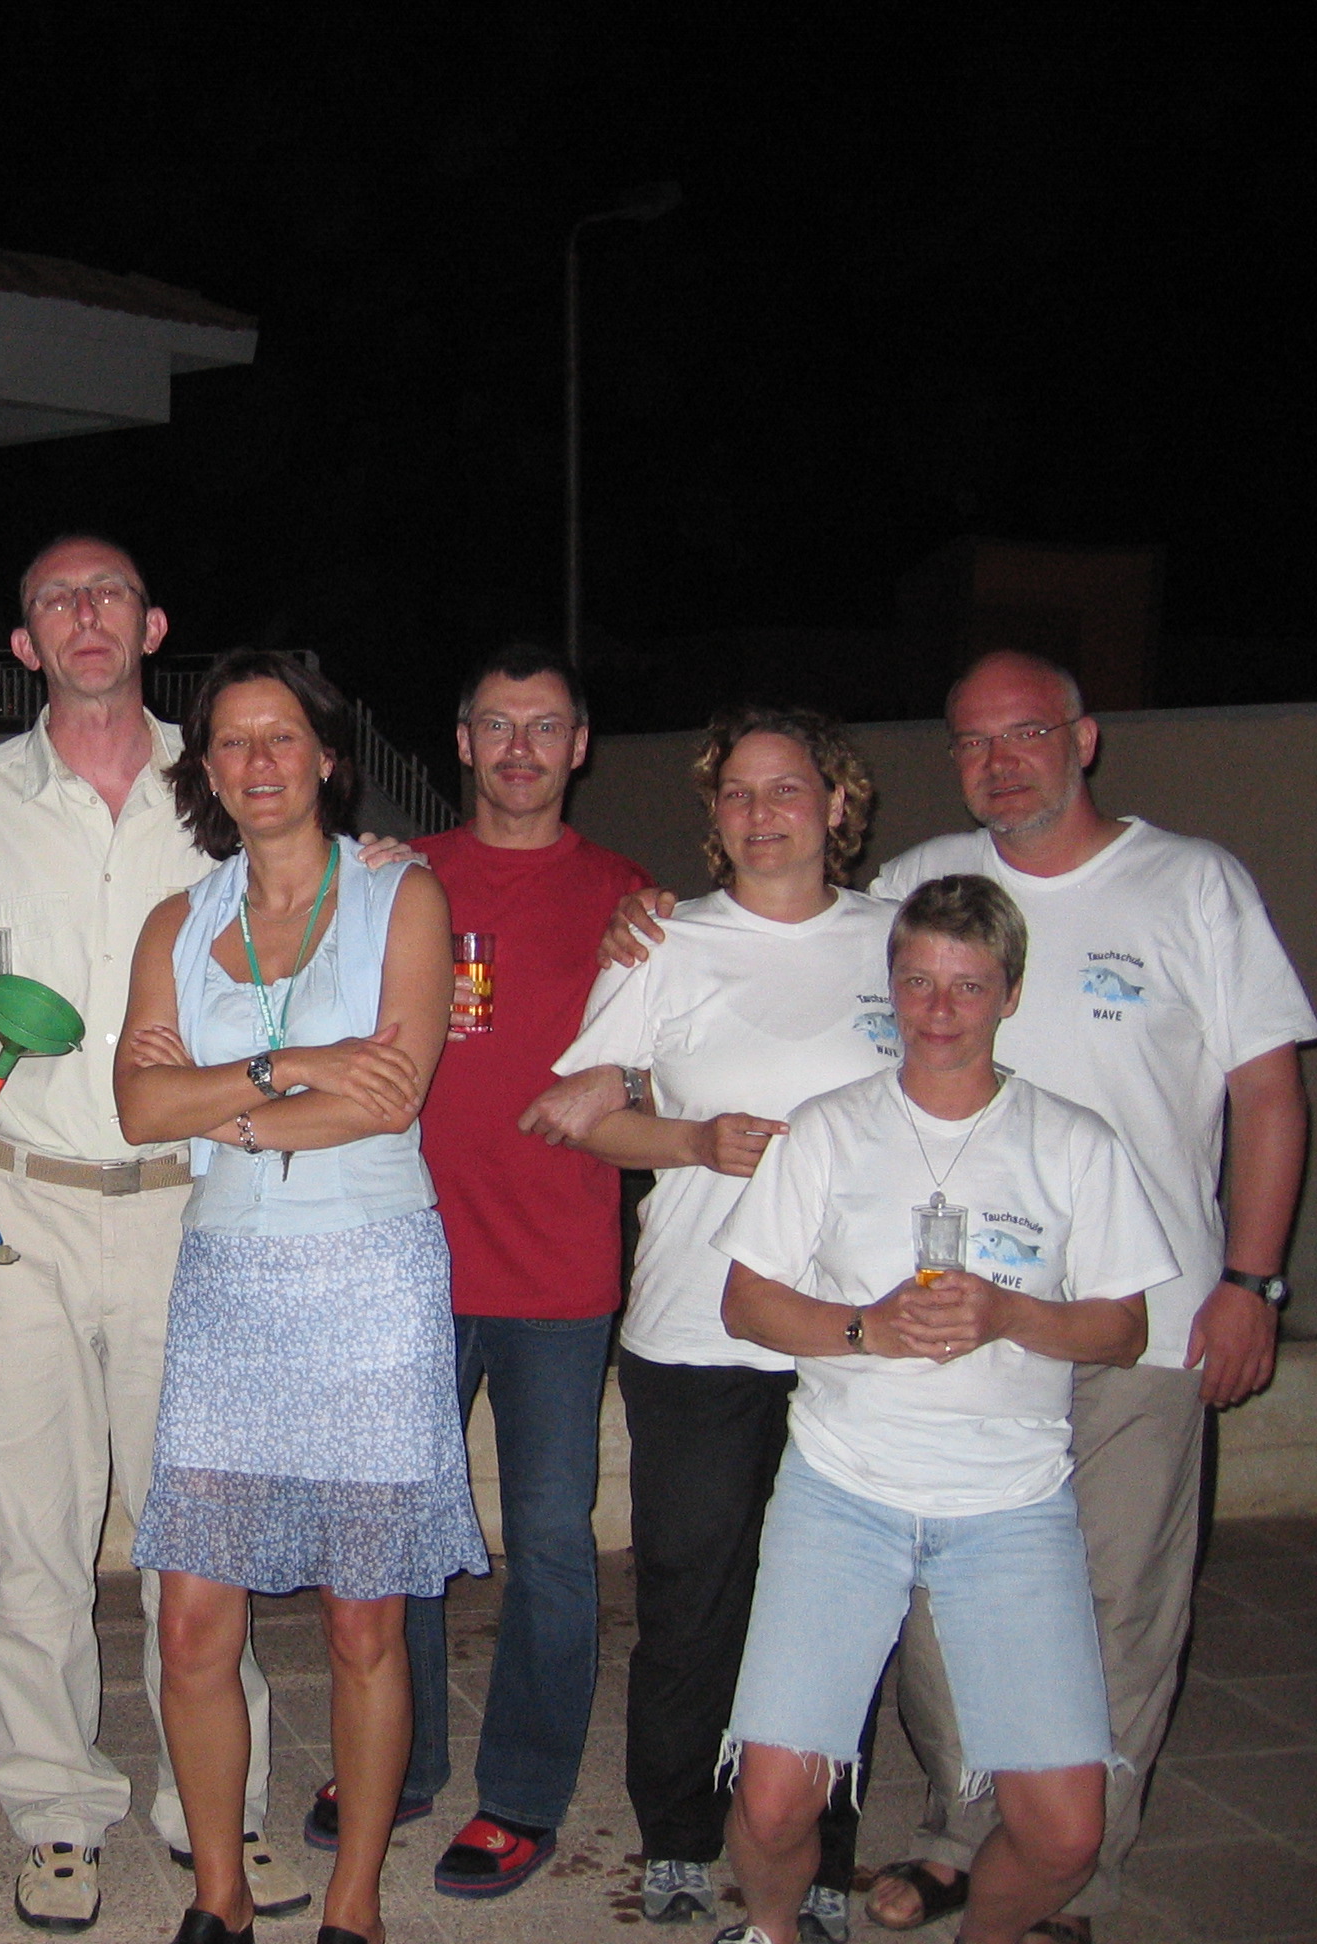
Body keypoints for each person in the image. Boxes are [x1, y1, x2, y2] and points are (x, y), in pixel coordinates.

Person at [606, 650, 1317, 1942]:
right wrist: (647, 922)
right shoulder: (919, 885)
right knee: (930, 1636)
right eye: (975, 740)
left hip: (1135, 1313)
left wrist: (1249, 1282)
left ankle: (1066, 1883)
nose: (1002, 761)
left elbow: (1269, 1092)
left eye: (1028, 732)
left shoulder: (1192, 884)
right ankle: (954, 1836)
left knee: (1117, 1606)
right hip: (909, 1377)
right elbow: (793, 921)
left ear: (1084, 738)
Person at [0, 537, 303, 1930]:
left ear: (152, 623)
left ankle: (222, 1810)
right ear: (24, 643)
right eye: (55, 602)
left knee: (197, 1524)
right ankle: (55, 1812)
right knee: (29, 1523)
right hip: (18, 1204)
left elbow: (319, 902)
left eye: (109, 596)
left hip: (187, 1203)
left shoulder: (224, 784)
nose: (85, 617)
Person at [704, 875, 1177, 1944]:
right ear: (892, 986)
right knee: (775, 1800)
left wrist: (1009, 1313)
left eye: (967, 986)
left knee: (1065, 1833)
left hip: (1011, 1504)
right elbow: (746, 1301)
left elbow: (1122, 1329)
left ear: (1010, 992)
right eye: (917, 982)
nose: (939, 1009)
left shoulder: (1072, 1141)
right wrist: (865, 1329)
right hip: (843, 1489)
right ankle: (770, 1931)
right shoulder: (831, 1129)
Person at [114, 648, 484, 1944]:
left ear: (328, 756)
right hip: (230, 1285)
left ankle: (354, 1901)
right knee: (191, 1624)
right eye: (233, 740)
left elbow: (393, 1093)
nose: (259, 760)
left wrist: (224, 1098)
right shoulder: (177, 923)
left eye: (283, 736)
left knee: (362, 1622)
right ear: (207, 771)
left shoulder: (401, 896)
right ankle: (218, 1896)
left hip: (372, 1281)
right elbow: (137, 1108)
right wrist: (300, 1067)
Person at [526, 705, 892, 1941]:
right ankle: (680, 1835)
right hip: (695, 1329)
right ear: (714, 814)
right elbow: (578, 1113)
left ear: (836, 803)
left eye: (785, 789)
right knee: (691, 1597)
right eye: (737, 792)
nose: (760, 812)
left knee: (836, 1604)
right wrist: (691, 1140)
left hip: (850, 1334)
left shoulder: (894, 940)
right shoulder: (666, 941)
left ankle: (823, 1848)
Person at [303, 643, 649, 1901]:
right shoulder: (397, 877)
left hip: (557, 1271)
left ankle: (523, 1794)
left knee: (549, 1541)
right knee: (395, 1534)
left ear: (580, 745)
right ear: (460, 741)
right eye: (496, 725)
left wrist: (628, 1076)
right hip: (407, 1259)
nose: (520, 749)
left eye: (545, 726)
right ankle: (402, 1760)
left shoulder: (629, 898)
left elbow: (685, 1053)